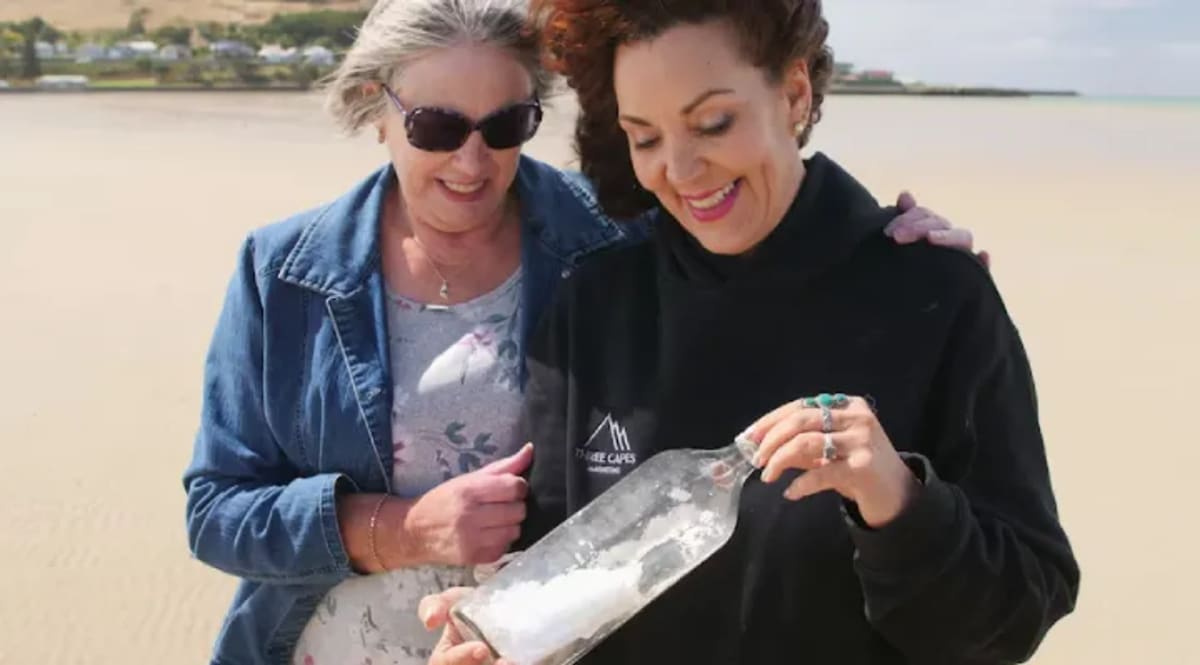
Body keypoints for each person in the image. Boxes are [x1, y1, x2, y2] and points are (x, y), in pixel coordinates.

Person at [181, 0, 982, 663]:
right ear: (375, 112)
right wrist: (397, 529)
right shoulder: (281, 270)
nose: (471, 160)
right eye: (434, 127)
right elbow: (216, 510)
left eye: (505, 125)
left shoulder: (606, 242)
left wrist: (886, 242)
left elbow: (740, 199)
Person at [423, 0, 1079, 664]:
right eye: (645, 137)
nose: (679, 172)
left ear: (793, 93)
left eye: (713, 123)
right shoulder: (594, 304)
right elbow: (559, 581)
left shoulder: (937, 295)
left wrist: (898, 501)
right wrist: (497, 631)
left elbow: (1016, 617)